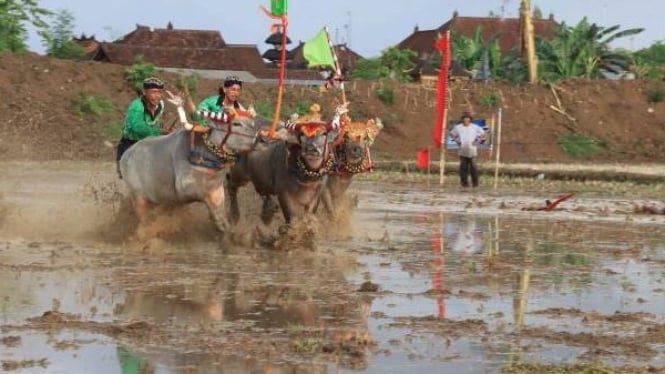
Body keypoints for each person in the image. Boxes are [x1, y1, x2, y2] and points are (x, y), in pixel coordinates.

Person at [116, 76, 167, 178]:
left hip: (149, 144)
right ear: (144, 92)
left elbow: (155, 122)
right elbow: (137, 127)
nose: (157, 96)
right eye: (154, 92)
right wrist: (158, 132)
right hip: (130, 143)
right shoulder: (137, 106)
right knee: (126, 175)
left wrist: (161, 130)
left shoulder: (161, 105)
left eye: (160, 92)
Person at [449, 112, 486, 188]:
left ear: (470, 119)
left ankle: (475, 184)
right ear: (462, 119)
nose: (466, 120)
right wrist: (458, 141)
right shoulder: (458, 127)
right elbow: (452, 134)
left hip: (472, 149)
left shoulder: (475, 127)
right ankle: (464, 184)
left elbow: (483, 134)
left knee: (473, 167)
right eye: (464, 118)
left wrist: (477, 141)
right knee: (463, 167)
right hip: (463, 149)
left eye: (467, 118)